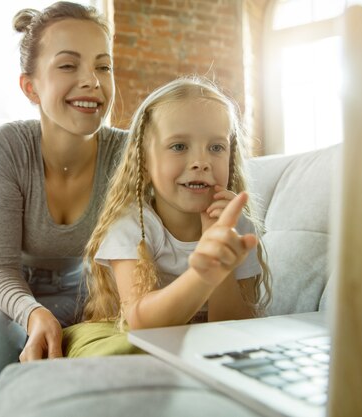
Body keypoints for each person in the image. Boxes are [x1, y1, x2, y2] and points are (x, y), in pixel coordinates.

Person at [0, 3, 126, 416]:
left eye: (103, 66)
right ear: (30, 87)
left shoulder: (125, 153)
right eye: (68, 66)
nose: (91, 81)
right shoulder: (6, 149)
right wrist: (31, 311)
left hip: (69, 286)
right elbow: (0, 270)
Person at [63, 76, 271, 357]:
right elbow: (141, 322)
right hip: (135, 339)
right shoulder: (133, 225)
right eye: (179, 146)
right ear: (145, 162)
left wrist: (218, 255)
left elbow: (232, 329)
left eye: (216, 147)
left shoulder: (236, 226)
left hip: (203, 346)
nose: (201, 161)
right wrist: (203, 274)